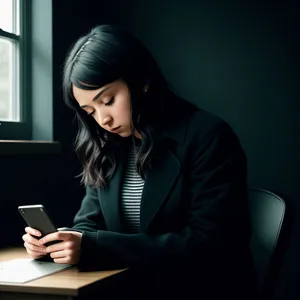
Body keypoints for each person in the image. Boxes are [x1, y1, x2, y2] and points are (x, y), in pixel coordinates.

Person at [22, 24, 258, 299]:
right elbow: (89, 224)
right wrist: (63, 241)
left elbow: (212, 244)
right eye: (90, 111)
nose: (102, 120)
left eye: (108, 100)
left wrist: (94, 246)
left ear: (141, 80)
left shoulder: (208, 136)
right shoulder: (108, 146)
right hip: (129, 289)